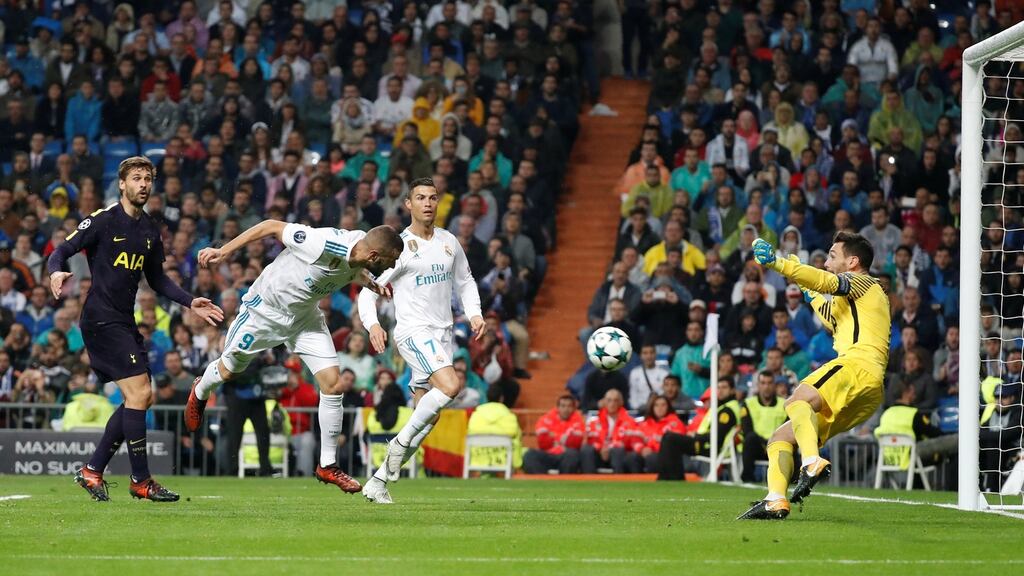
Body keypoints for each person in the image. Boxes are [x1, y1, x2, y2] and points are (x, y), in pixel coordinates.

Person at [47, 156, 225, 502]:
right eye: (137, 178)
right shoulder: (103, 220)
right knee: (140, 394)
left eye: (148, 179)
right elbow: (62, 249)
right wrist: (56, 271)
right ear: (122, 184)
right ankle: (140, 480)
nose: (143, 184)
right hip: (100, 319)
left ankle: (92, 470)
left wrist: (191, 302)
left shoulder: (149, 231)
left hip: (123, 320)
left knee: (139, 396)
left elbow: (157, 279)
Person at [185, 218, 402, 494]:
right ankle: (200, 390)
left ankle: (327, 465)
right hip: (263, 312)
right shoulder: (322, 243)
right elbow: (271, 226)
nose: (392, 266)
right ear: (374, 255)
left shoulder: (361, 250)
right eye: (390, 260)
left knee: (333, 384)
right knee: (229, 370)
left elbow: (350, 270)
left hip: (304, 318)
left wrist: (370, 283)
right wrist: (224, 251)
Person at [739, 231, 890, 520]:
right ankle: (775, 499)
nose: (826, 262)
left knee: (798, 399)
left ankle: (811, 461)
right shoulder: (856, 298)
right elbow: (829, 315)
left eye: (833, 256)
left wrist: (779, 264)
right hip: (868, 389)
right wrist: (802, 284)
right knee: (780, 437)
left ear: (853, 262)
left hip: (857, 366)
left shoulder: (863, 282)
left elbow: (826, 282)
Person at [358, 178, 487, 504]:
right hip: (414, 331)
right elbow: (366, 293)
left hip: (443, 334)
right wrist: (373, 325)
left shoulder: (448, 242)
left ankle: (378, 480)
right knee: (451, 386)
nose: (427, 203)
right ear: (408, 204)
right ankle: (397, 446)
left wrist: (474, 313)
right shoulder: (397, 248)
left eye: (432, 197)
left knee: (428, 417)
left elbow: (466, 281)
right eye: (420, 198)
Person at [657, 377, 740, 481]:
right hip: (704, 442)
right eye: (718, 387)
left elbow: (717, 437)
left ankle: (674, 478)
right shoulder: (722, 407)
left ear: (732, 390)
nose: (720, 391)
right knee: (668, 437)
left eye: (724, 387)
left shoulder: (727, 411)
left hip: (709, 447)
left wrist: (695, 436)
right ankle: (667, 477)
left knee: (670, 439)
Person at [740, 371, 788, 482]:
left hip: (778, 446)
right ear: (758, 385)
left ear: (774, 386)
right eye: (763, 383)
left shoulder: (785, 404)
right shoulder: (748, 404)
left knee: (790, 443)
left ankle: (794, 480)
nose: (766, 387)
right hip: (758, 446)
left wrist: (772, 444)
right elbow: (747, 430)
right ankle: (747, 479)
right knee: (749, 439)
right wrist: (766, 444)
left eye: (769, 383)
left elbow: (787, 430)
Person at [581, 389, 643, 474]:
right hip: (599, 453)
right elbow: (591, 439)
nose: (612, 404)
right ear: (604, 402)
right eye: (609, 400)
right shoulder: (595, 421)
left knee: (617, 450)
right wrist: (600, 448)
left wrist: (610, 447)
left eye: (615, 400)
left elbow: (632, 441)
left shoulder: (630, 421)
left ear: (621, 402)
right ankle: (589, 481)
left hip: (620, 454)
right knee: (586, 450)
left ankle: (618, 482)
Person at [523, 394, 585, 474]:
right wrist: (564, 438)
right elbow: (543, 442)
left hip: (566, 455)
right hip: (548, 454)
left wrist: (553, 437)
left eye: (569, 406)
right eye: (563, 406)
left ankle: (565, 483)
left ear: (573, 409)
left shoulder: (579, 420)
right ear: (558, 408)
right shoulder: (546, 419)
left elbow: (575, 443)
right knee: (529, 455)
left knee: (572, 455)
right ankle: (542, 483)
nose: (566, 409)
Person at [635, 395, 685, 473]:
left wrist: (653, 449)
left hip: (666, 455)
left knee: (652, 458)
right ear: (652, 407)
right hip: (646, 453)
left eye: (663, 405)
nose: (660, 408)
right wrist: (642, 449)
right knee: (632, 458)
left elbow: (677, 442)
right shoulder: (644, 424)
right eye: (656, 405)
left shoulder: (676, 423)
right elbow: (635, 440)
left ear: (668, 407)